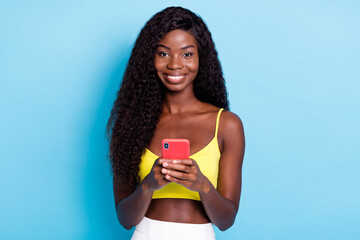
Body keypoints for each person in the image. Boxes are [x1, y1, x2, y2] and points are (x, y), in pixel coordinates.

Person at [106, 6, 245, 240]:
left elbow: (226, 221)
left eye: (187, 54)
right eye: (163, 53)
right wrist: (148, 185)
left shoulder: (227, 125)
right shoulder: (130, 123)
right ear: (149, 58)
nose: (175, 64)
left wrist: (203, 186)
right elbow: (125, 219)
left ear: (202, 58)